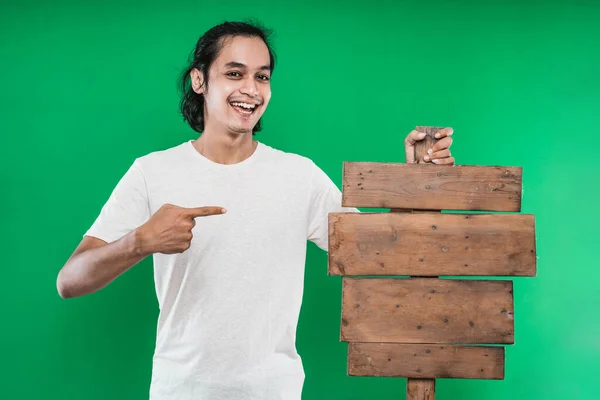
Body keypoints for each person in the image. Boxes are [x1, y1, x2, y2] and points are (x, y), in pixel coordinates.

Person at [56, 21, 454, 400]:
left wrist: (415, 184)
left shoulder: (299, 176)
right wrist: (139, 241)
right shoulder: (152, 172)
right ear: (199, 80)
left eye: (261, 76)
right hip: (180, 391)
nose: (251, 89)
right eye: (234, 73)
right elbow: (69, 281)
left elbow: (380, 254)